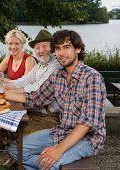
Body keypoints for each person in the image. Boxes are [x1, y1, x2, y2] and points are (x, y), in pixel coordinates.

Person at [7, 30, 106, 170]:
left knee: (50, 162)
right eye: (58, 48)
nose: (61, 53)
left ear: (77, 48)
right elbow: (35, 98)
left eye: (66, 47)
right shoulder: (57, 76)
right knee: (15, 150)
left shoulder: (92, 77)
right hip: (62, 131)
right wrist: (1, 93)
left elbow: (87, 123)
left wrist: (58, 150)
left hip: (88, 138)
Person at [0, 30, 62, 170]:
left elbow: (34, 89)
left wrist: (1, 91)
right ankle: (14, 154)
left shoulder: (54, 66)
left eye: (45, 46)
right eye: (37, 47)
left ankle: (47, 163)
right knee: (6, 121)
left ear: (53, 47)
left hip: (50, 117)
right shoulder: (42, 65)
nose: (41, 50)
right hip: (37, 111)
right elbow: (22, 81)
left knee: (17, 141)